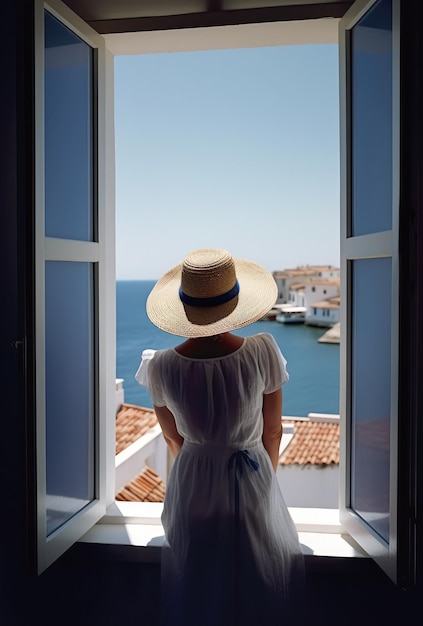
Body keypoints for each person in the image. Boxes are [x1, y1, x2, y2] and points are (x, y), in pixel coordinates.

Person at [135, 248, 305, 626]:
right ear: (234, 304)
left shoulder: (160, 366)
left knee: (199, 580)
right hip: (249, 475)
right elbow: (273, 430)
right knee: (256, 579)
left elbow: (172, 437)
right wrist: (264, 476)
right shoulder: (261, 352)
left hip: (193, 479)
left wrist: (200, 471)